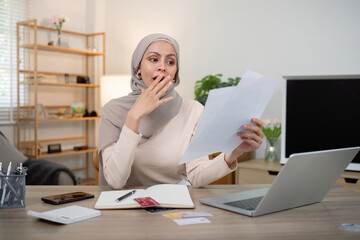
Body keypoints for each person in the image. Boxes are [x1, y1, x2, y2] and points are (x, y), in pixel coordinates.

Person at [98, 33, 264, 189]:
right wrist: (134, 116)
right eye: (153, 59)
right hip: (126, 207)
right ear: (137, 69)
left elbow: (196, 175)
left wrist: (233, 152)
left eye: (170, 62)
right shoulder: (113, 111)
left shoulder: (193, 110)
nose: (162, 67)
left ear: (175, 73)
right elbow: (116, 181)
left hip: (173, 205)